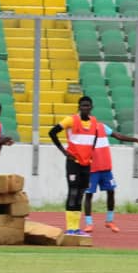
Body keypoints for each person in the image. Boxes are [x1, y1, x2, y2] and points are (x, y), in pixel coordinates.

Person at [82, 120, 138, 233]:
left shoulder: (101, 126)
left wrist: (136, 140)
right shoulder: (83, 130)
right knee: (89, 194)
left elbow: (118, 136)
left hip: (106, 168)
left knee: (111, 191)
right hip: (91, 169)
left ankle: (109, 221)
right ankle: (89, 223)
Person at [49, 96, 99, 236]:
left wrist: (90, 153)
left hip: (86, 164)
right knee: (73, 192)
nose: (85, 108)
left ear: (91, 107)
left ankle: (76, 228)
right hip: (73, 163)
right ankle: (70, 228)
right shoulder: (71, 120)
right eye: (83, 105)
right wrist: (64, 151)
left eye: (88, 106)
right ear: (79, 107)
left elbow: (94, 138)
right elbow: (52, 132)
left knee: (81, 193)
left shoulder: (94, 122)